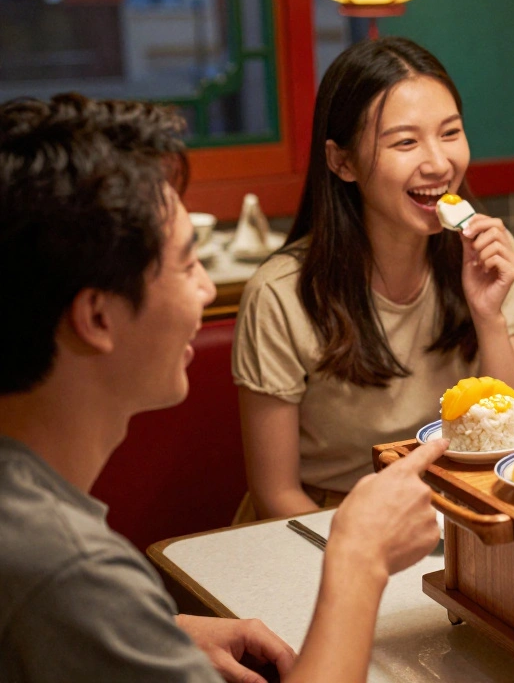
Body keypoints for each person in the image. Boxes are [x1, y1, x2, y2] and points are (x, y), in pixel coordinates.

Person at [0, 93, 447, 682]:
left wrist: (158, 632)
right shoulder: (69, 570)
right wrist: (357, 558)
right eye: (188, 265)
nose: (208, 290)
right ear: (97, 317)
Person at [234, 37, 514, 520]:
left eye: (450, 132)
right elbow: (274, 494)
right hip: (323, 521)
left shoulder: (487, 257)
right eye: (405, 142)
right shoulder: (280, 294)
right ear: (342, 161)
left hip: (455, 509)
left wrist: (488, 315)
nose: (438, 163)